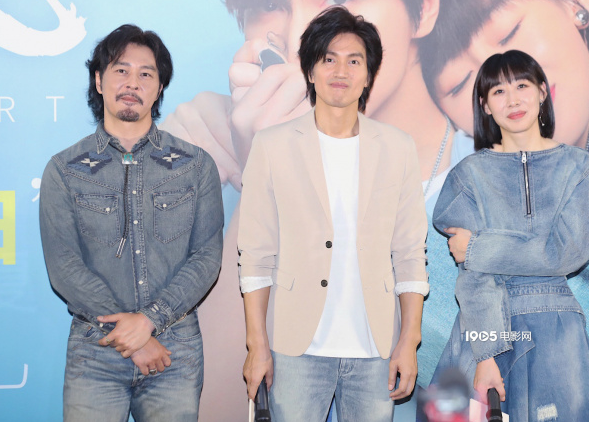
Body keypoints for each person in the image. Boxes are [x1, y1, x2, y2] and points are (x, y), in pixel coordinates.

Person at [160, 1, 475, 419]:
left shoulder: (480, 177)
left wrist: (409, 339)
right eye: (270, 5)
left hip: (374, 356)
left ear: (424, 10)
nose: (298, 39)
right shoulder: (242, 152)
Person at [416, 0, 589, 419]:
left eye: (508, 33)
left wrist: (483, 249)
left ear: (576, 7)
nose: (509, 91)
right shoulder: (467, 183)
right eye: (463, 83)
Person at [238, 7, 428, 421]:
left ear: (368, 75)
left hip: (375, 352)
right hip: (296, 349)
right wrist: (257, 345)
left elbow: (410, 253)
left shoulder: (398, 147)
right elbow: (255, 255)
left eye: (354, 61)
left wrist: (408, 340)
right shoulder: (272, 145)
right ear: (310, 71)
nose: (341, 71)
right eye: (329, 59)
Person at [39, 24, 224, 421]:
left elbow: (207, 257)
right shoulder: (64, 170)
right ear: (98, 80)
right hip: (95, 352)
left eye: (146, 74)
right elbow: (64, 266)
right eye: (121, 70)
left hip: (174, 352)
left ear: (159, 88)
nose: (132, 83)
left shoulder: (195, 166)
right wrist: (131, 336)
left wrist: (150, 322)